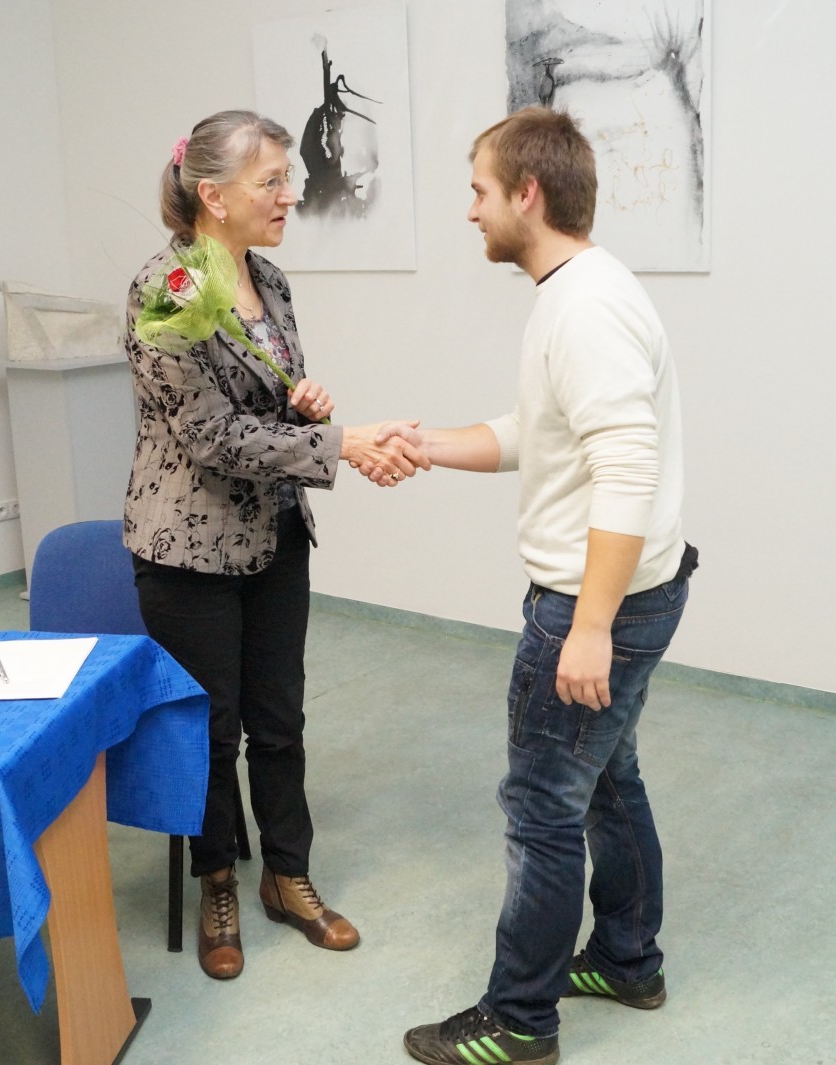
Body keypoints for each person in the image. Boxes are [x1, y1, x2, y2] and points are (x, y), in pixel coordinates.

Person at [394, 107, 696, 1065]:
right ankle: (628, 959)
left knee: (541, 807)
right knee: (607, 780)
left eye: (479, 191)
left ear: (527, 194)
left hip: (596, 603)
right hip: (634, 591)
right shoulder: (578, 293)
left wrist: (590, 624)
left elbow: (626, 467)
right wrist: (426, 444)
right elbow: (540, 432)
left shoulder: (585, 307)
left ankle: (520, 1021)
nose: (470, 211)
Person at [124, 109, 428, 981]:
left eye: (288, 178)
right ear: (213, 196)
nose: (290, 195)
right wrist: (343, 443)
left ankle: (287, 875)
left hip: (275, 532)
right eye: (272, 181)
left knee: (281, 721)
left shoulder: (271, 280)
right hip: (190, 549)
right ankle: (218, 879)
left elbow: (261, 400)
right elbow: (210, 435)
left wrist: (305, 402)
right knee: (212, 731)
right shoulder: (166, 291)